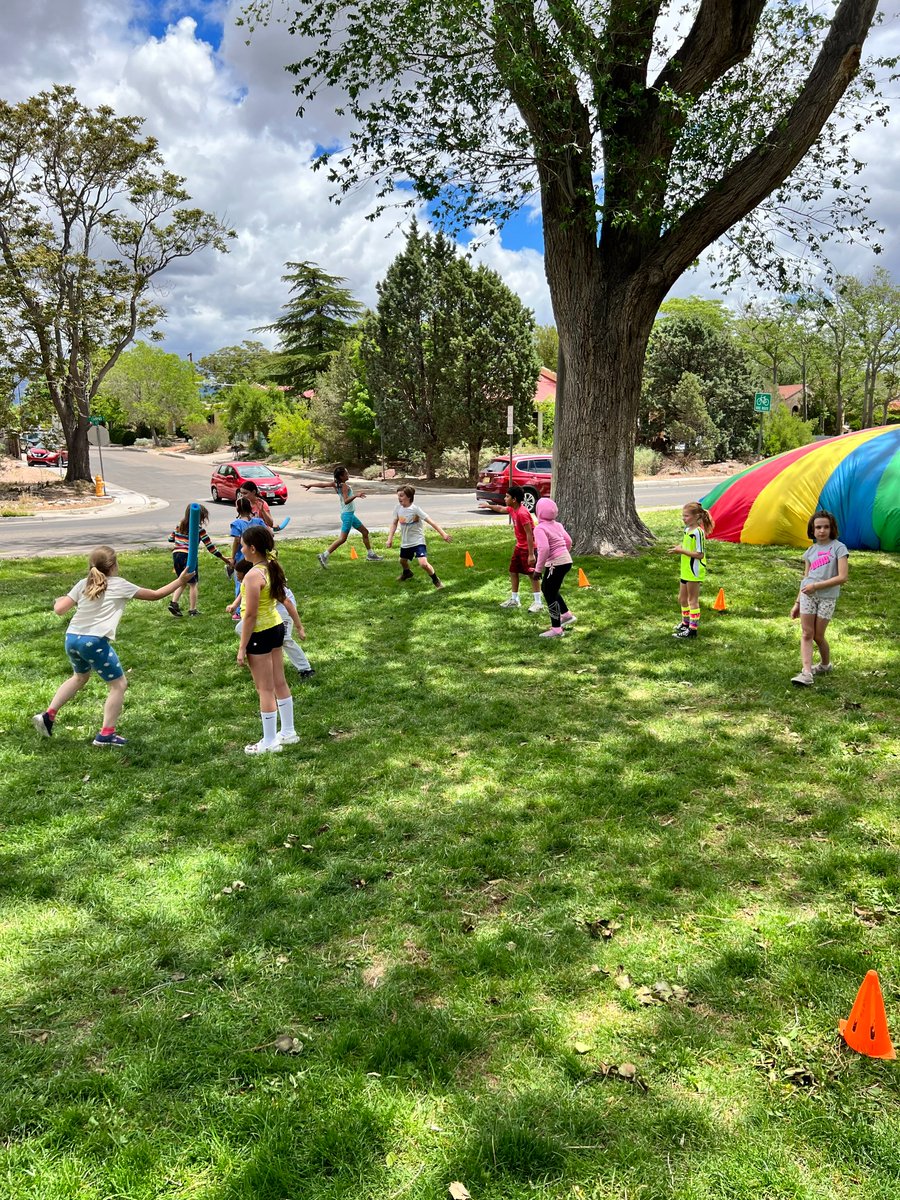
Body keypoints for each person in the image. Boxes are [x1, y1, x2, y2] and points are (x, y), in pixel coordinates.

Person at [32, 546, 192, 746]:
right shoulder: (119, 585)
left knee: (80, 677)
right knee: (119, 685)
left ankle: (48, 716)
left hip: (71, 638)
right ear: (114, 565)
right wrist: (180, 581)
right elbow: (154, 594)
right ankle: (106, 734)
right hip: (93, 642)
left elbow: (59, 609)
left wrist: (60, 600)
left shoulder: (83, 583)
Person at [236, 524, 301, 754]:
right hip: (275, 629)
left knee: (264, 688)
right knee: (279, 681)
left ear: (252, 548)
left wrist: (242, 647)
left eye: (242, 545)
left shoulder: (253, 575)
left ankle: (270, 741)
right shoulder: (269, 567)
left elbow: (251, 615)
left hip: (261, 633)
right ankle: (288, 732)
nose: (241, 549)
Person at [790, 509, 849, 687]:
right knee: (807, 633)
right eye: (818, 527)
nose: (821, 531)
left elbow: (842, 577)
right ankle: (806, 672)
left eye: (825, 527)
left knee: (818, 636)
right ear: (812, 530)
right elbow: (806, 578)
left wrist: (817, 586)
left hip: (827, 598)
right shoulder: (810, 551)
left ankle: (825, 665)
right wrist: (797, 602)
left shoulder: (839, 548)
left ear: (832, 528)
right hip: (808, 596)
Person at [228, 558, 315, 680]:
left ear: (249, 574)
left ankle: (306, 669)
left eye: (239, 575)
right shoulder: (251, 579)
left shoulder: (266, 581)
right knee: (240, 628)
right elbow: (244, 592)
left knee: (284, 638)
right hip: (268, 609)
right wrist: (234, 604)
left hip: (282, 608)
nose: (237, 578)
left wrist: (299, 627)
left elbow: (287, 602)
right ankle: (263, 655)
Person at [479, 485, 543, 612]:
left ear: (514, 499)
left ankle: (538, 603)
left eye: (507, 496)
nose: (505, 498)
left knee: (532, 574)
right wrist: (489, 506)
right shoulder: (512, 509)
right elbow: (501, 509)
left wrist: (531, 554)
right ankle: (515, 599)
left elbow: (530, 534)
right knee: (513, 571)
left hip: (528, 548)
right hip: (519, 547)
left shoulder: (522, 513)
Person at [303, 466, 383, 566]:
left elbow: (322, 484)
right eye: (346, 473)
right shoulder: (344, 486)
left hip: (349, 515)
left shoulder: (336, 484)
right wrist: (356, 495)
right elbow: (346, 501)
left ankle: (370, 554)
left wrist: (310, 485)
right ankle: (324, 555)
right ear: (341, 476)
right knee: (342, 539)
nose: (348, 475)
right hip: (347, 516)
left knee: (365, 532)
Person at [167, 504, 230, 617]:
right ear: (200, 517)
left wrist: (180, 540)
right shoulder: (199, 530)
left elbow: (170, 539)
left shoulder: (178, 526)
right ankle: (193, 610)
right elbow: (211, 548)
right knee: (193, 584)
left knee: (181, 580)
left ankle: (174, 603)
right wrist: (224, 558)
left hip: (176, 555)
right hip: (188, 556)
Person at [386, 485, 452, 587]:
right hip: (406, 541)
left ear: (409, 496)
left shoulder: (415, 509)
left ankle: (436, 580)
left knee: (423, 564)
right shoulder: (397, 509)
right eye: (398, 496)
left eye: (401, 496)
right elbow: (394, 523)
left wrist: (443, 534)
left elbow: (431, 522)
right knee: (402, 561)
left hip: (418, 541)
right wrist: (389, 539)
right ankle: (407, 573)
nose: (399, 498)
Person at [667, 501, 714, 639]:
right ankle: (685, 623)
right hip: (686, 569)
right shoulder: (687, 530)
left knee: (692, 600)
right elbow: (687, 546)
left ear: (696, 516)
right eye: (683, 515)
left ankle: (692, 630)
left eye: (686, 516)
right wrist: (679, 547)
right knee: (682, 598)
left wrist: (681, 550)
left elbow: (700, 554)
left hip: (694, 570)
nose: (684, 518)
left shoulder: (698, 533)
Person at [533, 497, 575, 637]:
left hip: (555, 564)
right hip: (566, 561)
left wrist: (538, 570)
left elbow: (543, 549)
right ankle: (566, 615)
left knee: (548, 591)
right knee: (552, 589)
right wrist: (563, 554)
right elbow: (568, 541)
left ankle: (556, 629)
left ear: (538, 512)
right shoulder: (557, 525)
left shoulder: (540, 528)